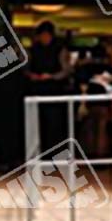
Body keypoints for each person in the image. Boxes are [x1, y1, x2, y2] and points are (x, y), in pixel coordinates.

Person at [26, 21, 72, 152]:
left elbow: (66, 70)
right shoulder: (33, 50)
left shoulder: (60, 49)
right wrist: (32, 76)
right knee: (39, 124)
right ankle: (40, 152)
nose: (44, 38)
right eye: (42, 35)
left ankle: (56, 152)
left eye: (46, 35)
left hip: (55, 93)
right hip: (37, 91)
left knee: (55, 125)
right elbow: (27, 69)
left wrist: (52, 76)